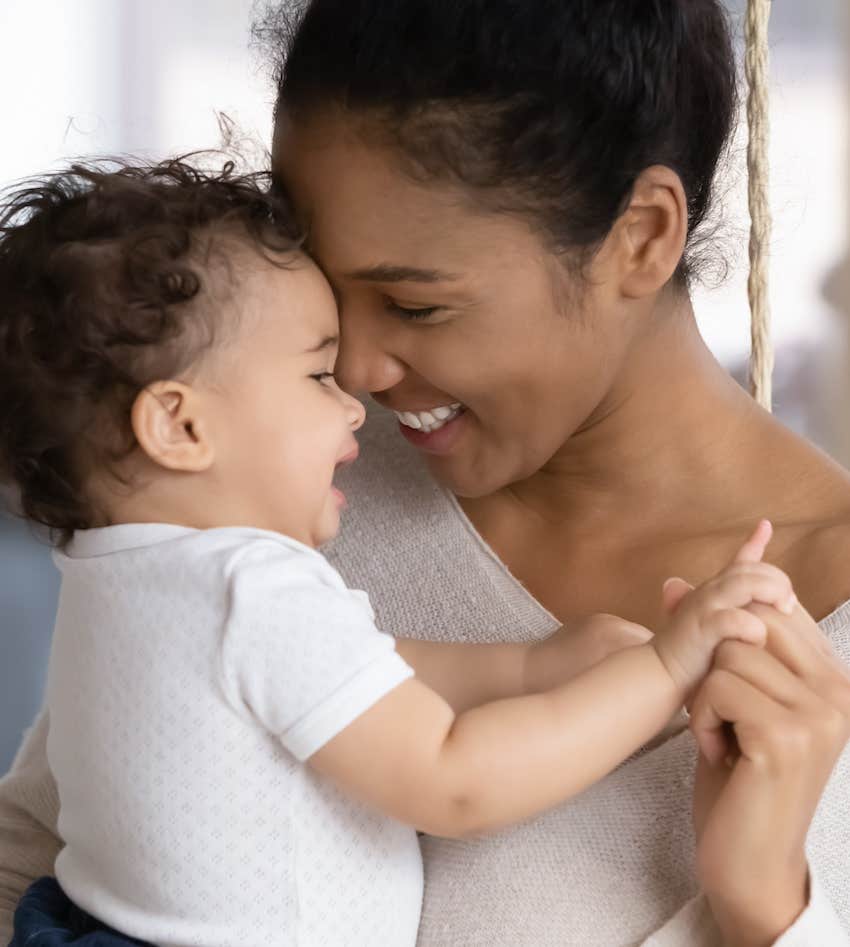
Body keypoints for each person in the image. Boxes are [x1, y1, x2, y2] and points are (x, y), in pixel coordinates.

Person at [1, 0, 850, 944]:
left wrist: (764, 909)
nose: (356, 375)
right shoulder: (265, 489)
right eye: (324, 292)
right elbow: (37, 858)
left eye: (414, 304)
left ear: (642, 236)